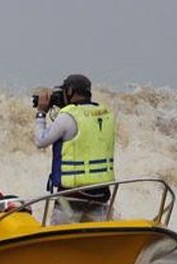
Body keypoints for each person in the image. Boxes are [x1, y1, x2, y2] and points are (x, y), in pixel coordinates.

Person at [34, 74, 116, 224]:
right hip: (101, 195)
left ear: (70, 91)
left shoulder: (67, 116)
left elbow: (40, 141)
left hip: (72, 197)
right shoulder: (107, 114)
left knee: (59, 243)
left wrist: (41, 112)